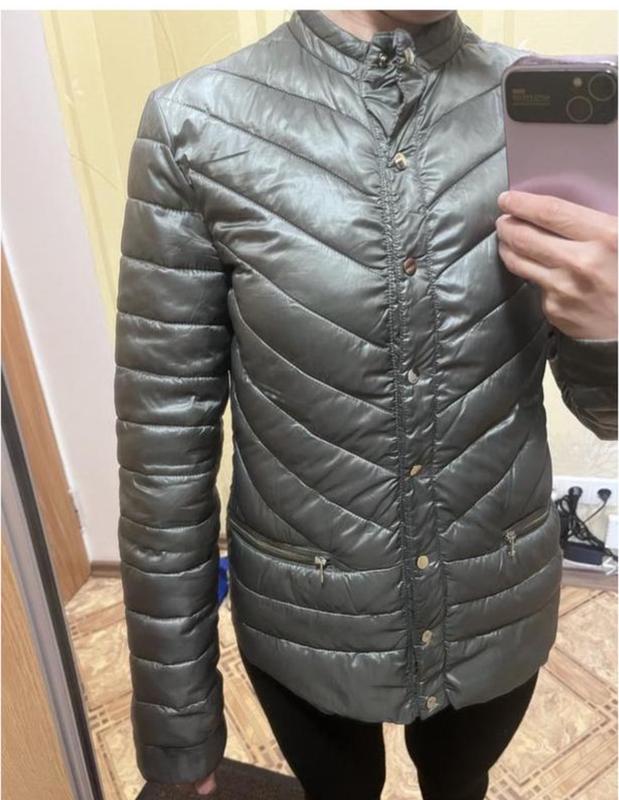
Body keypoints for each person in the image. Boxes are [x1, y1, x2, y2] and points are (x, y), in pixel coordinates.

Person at [113, 9, 618, 800]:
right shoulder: (197, 125)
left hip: (498, 600)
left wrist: (610, 326)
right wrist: (177, 725)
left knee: (462, 785)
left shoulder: (537, 111)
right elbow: (162, 454)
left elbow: (608, 413)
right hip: (304, 615)